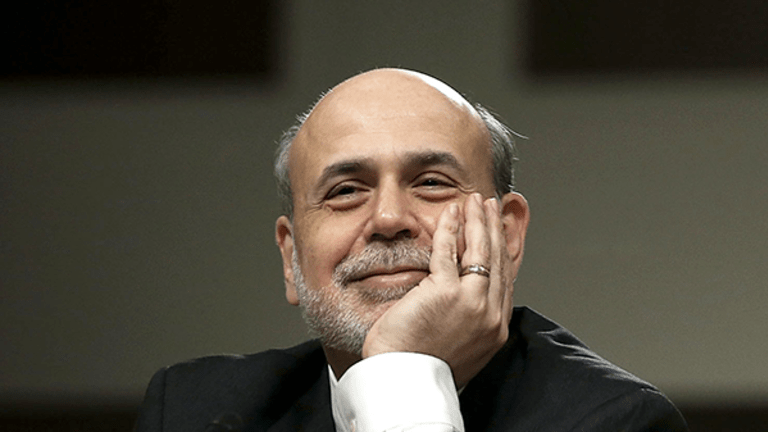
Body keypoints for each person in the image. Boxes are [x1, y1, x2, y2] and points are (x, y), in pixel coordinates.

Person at [135, 68, 688, 431]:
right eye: (345, 191)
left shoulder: (617, 421)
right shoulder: (191, 412)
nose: (388, 220)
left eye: (431, 183)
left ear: (507, 234)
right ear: (290, 256)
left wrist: (400, 371)